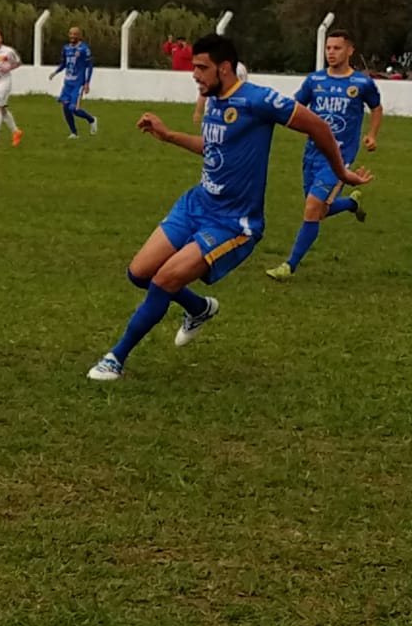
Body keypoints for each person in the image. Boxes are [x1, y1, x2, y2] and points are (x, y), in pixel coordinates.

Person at [87, 34, 371, 382]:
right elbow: (213, 147)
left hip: (234, 222)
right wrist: (169, 135)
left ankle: (116, 358)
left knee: (164, 280)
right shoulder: (214, 100)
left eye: (201, 67)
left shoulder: (259, 100)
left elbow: (318, 126)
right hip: (196, 203)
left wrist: (341, 172)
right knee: (139, 273)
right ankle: (199, 308)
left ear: (224, 68)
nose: (194, 75)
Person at [265, 29, 382, 281]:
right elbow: (296, 106)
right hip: (312, 153)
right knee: (319, 210)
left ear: (350, 50)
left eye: (337, 48)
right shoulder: (314, 80)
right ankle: (351, 203)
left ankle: (289, 266)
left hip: (339, 157)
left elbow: (376, 107)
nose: (331, 52)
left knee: (312, 207)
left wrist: (372, 135)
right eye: (328, 48)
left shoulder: (361, 83)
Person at [48, 26, 96, 138]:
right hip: (68, 83)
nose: (72, 36)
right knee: (65, 107)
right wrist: (55, 72)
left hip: (78, 84)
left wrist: (87, 82)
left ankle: (91, 119)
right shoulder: (66, 48)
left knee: (73, 108)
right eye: (70, 34)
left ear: (79, 36)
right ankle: (74, 133)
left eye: (75, 34)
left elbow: (90, 66)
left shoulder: (84, 49)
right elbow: (64, 63)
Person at [193, 60, 248, 125]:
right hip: (212, 110)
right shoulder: (212, 66)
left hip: (232, 109)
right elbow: (205, 90)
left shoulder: (239, 68)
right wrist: (198, 111)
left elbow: (242, 88)